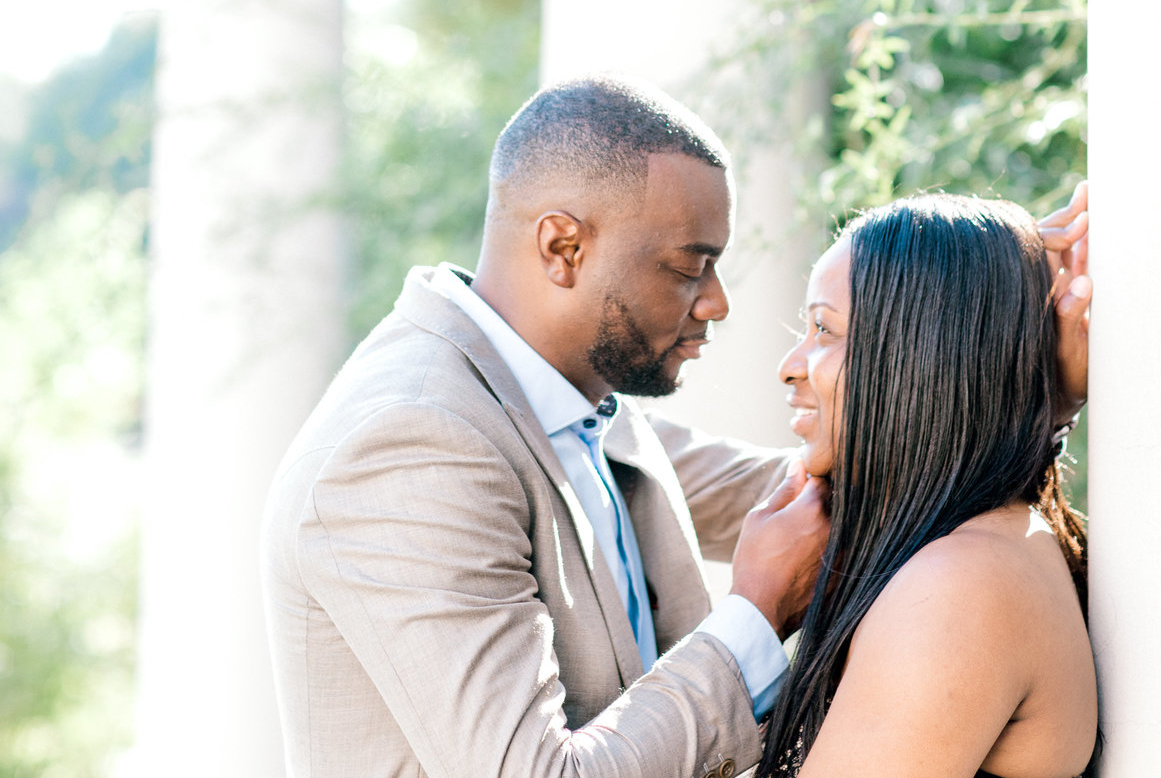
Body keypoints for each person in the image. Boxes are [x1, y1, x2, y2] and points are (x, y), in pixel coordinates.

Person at [262, 76, 1090, 778]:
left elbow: (876, 466)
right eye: (689, 267)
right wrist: (755, 615)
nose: (719, 303)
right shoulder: (412, 441)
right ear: (562, 246)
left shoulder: (576, 406)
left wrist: (1002, 349)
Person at [761, 192, 1097, 778]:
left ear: (923, 353)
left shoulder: (959, 585)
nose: (790, 364)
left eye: (823, 328)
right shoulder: (981, 546)